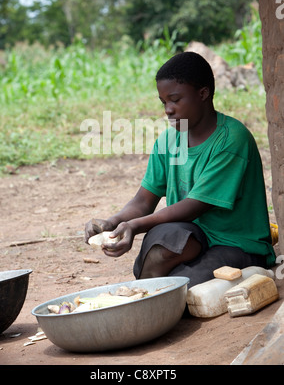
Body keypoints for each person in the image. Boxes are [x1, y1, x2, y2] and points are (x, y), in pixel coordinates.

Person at [84, 52, 276, 288]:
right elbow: (144, 200)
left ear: (203, 93)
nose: (168, 109)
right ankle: (150, 295)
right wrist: (113, 222)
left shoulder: (232, 140)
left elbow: (195, 205)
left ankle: (158, 295)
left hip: (234, 243)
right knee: (164, 243)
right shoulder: (168, 141)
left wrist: (135, 226)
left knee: (185, 290)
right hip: (192, 237)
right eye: (164, 102)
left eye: (175, 100)